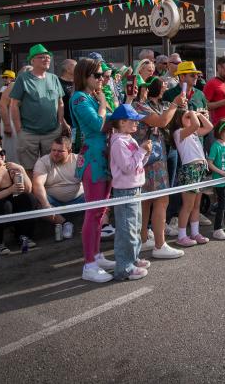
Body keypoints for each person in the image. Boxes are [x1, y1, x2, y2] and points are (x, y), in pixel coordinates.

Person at [70, 58, 116, 283]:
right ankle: (89, 264)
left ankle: (96, 254)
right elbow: (98, 124)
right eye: (97, 75)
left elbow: (115, 119)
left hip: (104, 156)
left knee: (101, 211)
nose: (101, 79)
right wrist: (103, 104)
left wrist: (105, 101)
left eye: (102, 75)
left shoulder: (94, 96)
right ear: (84, 76)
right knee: (93, 211)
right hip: (92, 158)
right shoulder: (79, 97)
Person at [130, 76, 185, 259]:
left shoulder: (142, 104)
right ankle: (160, 245)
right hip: (151, 157)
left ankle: (144, 238)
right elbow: (161, 122)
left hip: (148, 156)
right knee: (161, 199)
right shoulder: (139, 106)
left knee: (147, 200)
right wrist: (175, 104)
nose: (146, 89)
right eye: (144, 86)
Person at [107, 104, 152, 281]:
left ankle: (132, 259)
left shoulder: (129, 139)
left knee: (135, 226)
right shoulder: (118, 142)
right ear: (122, 122)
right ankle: (124, 267)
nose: (137, 124)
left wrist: (145, 152)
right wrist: (142, 150)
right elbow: (127, 167)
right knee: (127, 229)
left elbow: (137, 163)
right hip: (125, 190)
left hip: (134, 188)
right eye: (133, 120)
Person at [9, 44, 70, 172]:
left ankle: (48, 191)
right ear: (32, 60)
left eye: (48, 57)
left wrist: (61, 123)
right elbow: (14, 105)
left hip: (52, 132)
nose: (47, 59)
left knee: (52, 166)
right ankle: (32, 192)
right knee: (29, 168)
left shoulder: (53, 78)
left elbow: (60, 103)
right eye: (42, 57)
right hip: (28, 132)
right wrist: (19, 129)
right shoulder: (23, 79)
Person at [171, 108, 213, 247]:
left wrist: (200, 115)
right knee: (187, 205)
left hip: (200, 168)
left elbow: (209, 127)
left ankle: (195, 232)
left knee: (196, 205)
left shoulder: (193, 132)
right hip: (190, 169)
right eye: (187, 117)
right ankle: (182, 235)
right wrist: (193, 114)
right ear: (179, 119)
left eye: (190, 117)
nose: (190, 119)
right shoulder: (179, 132)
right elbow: (195, 125)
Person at [31, 136, 82, 240]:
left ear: (69, 151)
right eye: (53, 150)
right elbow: (37, 184)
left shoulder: (78, 159)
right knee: (37, 201)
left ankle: (103, 226)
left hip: (79, 200)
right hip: (53, 203)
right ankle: (65, 224)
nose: (55, 153)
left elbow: (89, 180)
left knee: (100, 195)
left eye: (60, 151)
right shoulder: (43, 161)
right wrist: (46, 205)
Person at [58, 59, 77, 130]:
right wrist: (63, 123)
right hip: (66, 124)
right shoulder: (58, 82)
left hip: (78, 123)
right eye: (76, 66)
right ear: (68, 69)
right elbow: (56, 105)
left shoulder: (78, 82)